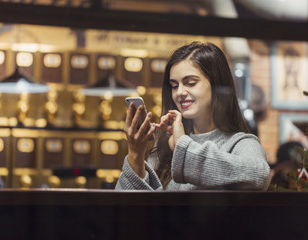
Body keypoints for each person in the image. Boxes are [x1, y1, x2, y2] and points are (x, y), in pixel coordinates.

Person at [115, 41, 270, 190]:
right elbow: (136, 210)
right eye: (174, 86)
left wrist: (182, 145)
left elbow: (259, 174)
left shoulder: (241, 143)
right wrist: (136, 154)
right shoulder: (165, 145)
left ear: (217, 85)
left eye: (190, 83)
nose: (180, 92)